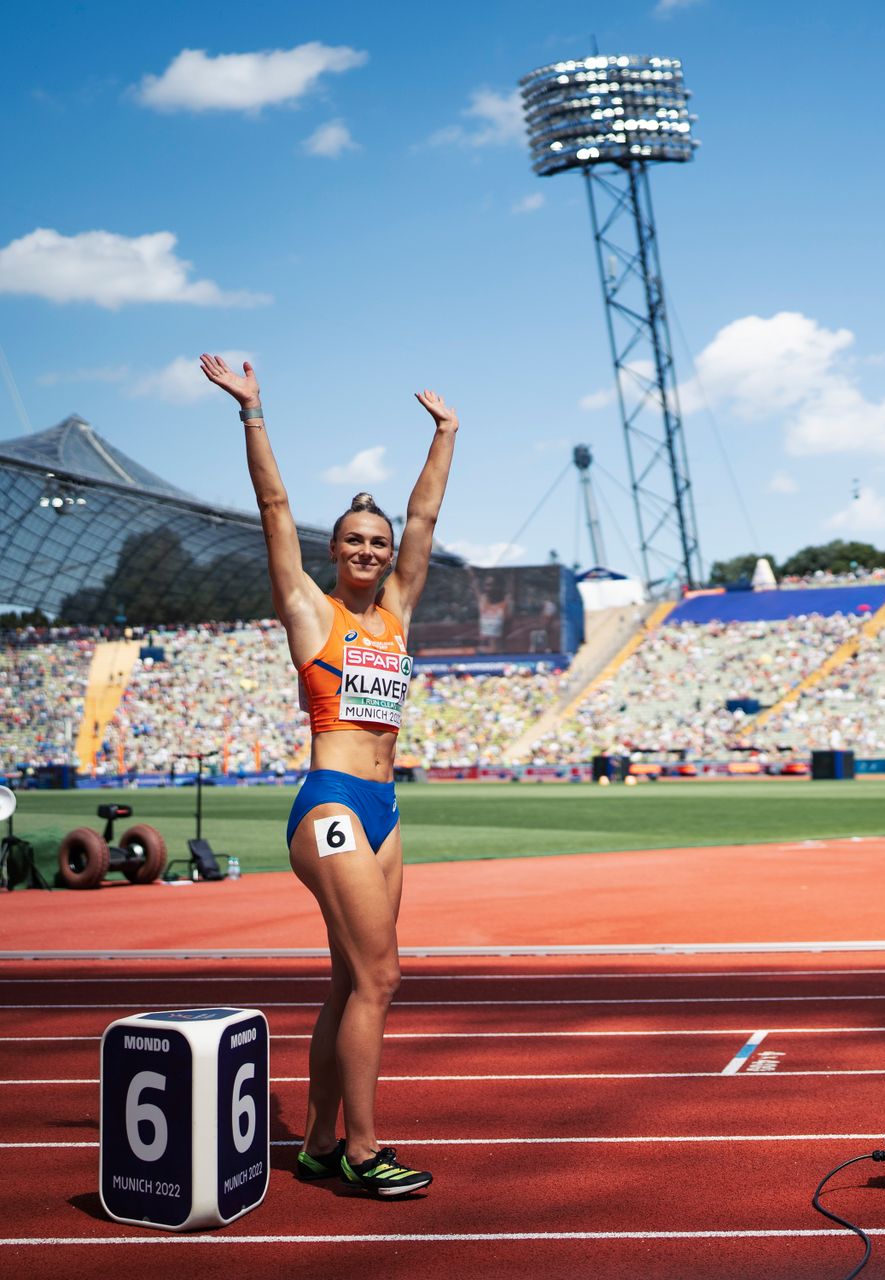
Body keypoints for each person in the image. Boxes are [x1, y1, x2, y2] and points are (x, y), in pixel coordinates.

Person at [201, 353, 457, 1195]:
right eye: (354, 540)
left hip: (383, 809)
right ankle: (362, 1150)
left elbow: (424, 516)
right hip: (332, 804)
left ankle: (314, 1143)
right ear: (334, 549)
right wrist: (252, 411)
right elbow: (274, 507)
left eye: (378, 542)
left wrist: (446, 434)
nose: (370, 549)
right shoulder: (310, 609)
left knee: (351, 980)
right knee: (383, 976)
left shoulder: (397, 612)